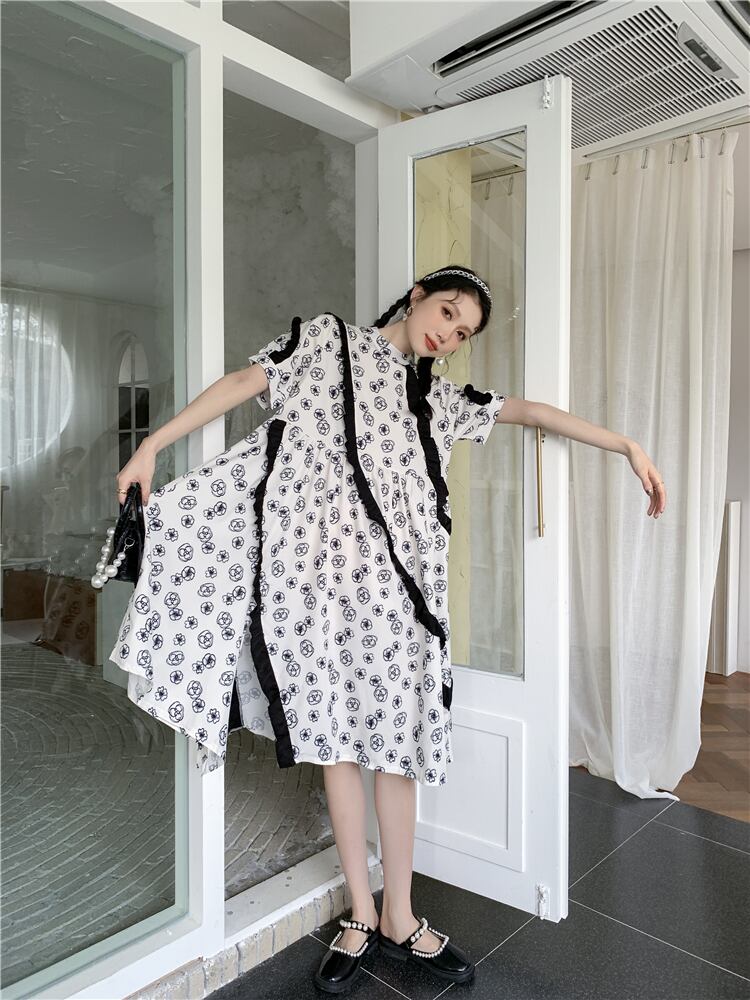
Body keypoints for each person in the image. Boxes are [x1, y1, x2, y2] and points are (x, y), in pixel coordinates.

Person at [112, 265, 667, 991]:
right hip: (318, 591)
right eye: (447, 312)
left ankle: (401, 917)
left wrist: (626, 445)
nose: (448, 334)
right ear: (417, 297)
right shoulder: (325, 342)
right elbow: (243, 384)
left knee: (396, 753)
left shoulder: (436, 400)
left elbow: (529, 411)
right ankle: (361, 914)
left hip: (401, 604)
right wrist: (152, 445)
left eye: (463, 333)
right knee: (336, 749)